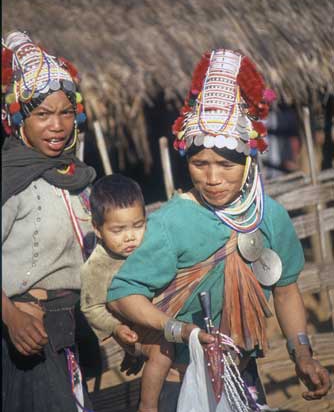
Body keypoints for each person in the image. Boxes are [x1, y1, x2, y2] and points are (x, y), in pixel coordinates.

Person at [107, 49, 331, 410]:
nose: (212, 178)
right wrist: (178, 330)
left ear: (248, 160)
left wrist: (301, 353)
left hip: (243, 379)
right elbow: (122, 294)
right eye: (200, 164)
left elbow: (286, 291)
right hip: (181, 385)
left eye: (225, 166)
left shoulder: (270, 217)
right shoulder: (171, 222)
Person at [2, 31, 96, 412]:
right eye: (42, 114)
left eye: (65, 113)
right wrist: (10, 317)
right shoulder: (10, 181)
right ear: (19, 119)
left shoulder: (78, 179)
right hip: (24, 333)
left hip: (66, 332)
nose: (56, 125)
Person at [80, 173, 174, 412]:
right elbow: (91, 307)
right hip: (133, 330)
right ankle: (147, 405)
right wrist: (115, 328)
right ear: (98, 229)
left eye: (138, 225)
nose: (130, 236)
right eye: (118, 230)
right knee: (164, 351)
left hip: (160, 316)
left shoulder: (150, 245)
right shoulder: (97, 266)